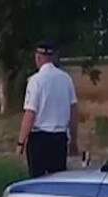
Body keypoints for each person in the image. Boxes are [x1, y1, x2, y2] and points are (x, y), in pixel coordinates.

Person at [17, 41, 79, 178]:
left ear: (38, 58)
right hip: (60, 138)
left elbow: (30, 113)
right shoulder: (66, 79)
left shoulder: (35, 80)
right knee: (57, 180)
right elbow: (73, 112)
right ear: (53, 57)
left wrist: (21, 142)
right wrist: (74, 140)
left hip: (39, 139)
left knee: (37, 180)